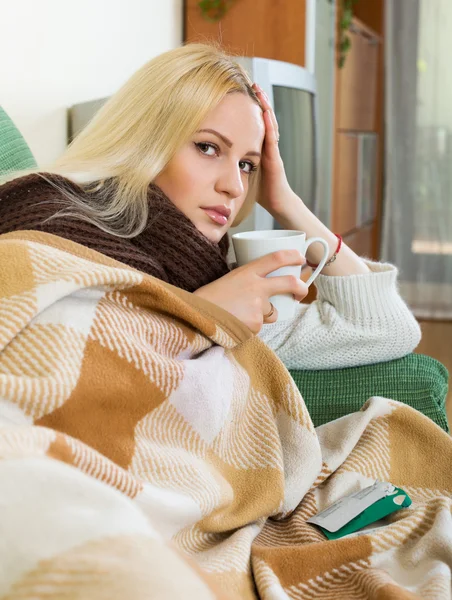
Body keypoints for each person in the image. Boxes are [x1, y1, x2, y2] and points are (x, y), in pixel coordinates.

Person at [0, 43, 420, 370]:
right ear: (146, 140)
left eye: (247, 165)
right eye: (207, 147)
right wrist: (203, 316)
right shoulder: (51, 222)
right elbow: (50, 365)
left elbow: (386, 328)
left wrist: (284, 200)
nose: (234, 186)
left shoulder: (216, 271)